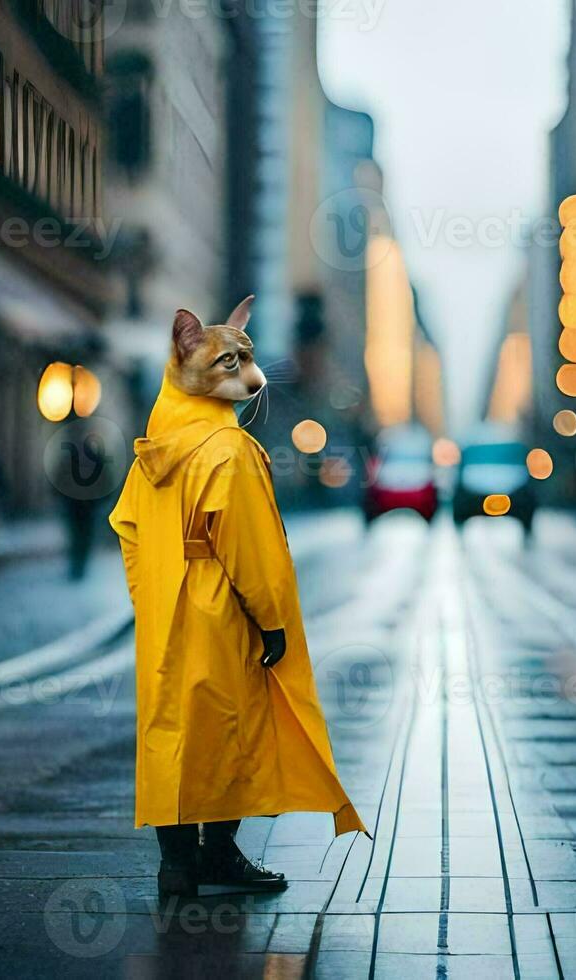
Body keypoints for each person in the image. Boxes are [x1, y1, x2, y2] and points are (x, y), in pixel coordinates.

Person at [109, 298, 364, 901]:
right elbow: (252, 552)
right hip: (221, 608)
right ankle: (218, 853)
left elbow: (128, 528)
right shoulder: (230, 450)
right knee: (228, 731)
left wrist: (150, 594)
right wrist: (272, 623)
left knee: (168, 729)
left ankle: (175, 866)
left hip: (165, 610)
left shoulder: (153, 450)